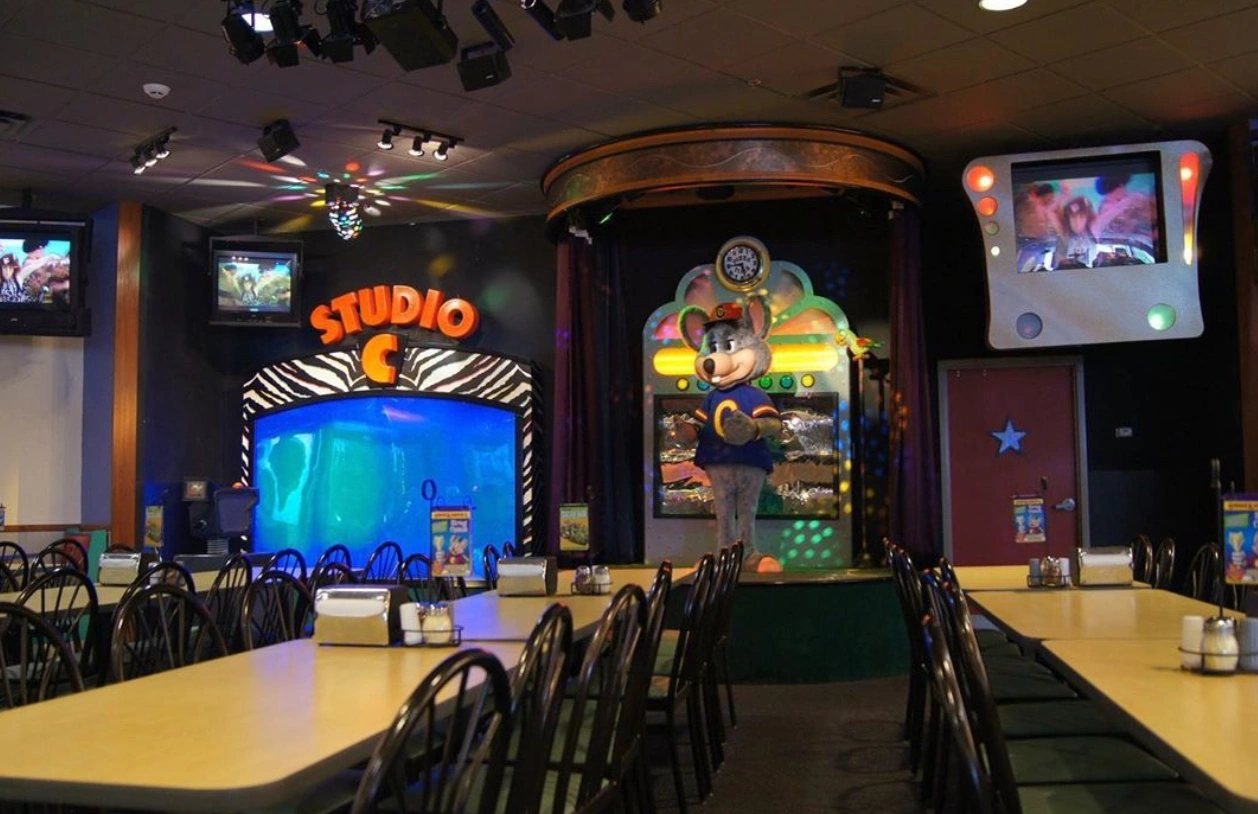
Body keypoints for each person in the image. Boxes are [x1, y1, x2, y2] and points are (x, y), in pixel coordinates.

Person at [1052, 196, 1098, 269]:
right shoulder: (1064, 235)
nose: (1077, 222)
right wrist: (1063, 195)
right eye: (1073, 217)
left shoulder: (1093, 232)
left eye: (1081, 217)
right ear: (1068, 219)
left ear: (1087, 219)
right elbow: (1050, 212)